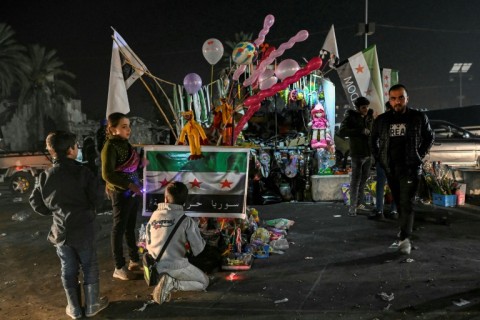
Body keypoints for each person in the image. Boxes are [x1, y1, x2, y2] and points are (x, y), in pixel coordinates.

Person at [29, 131, 108, 319]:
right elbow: (98, 199)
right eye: (76, 146)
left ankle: (73, 308)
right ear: (72, 149)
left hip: (60, 231)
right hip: (84, 228)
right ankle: (92, 305)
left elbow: (36, 202)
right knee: (89, 265)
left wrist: (54, 212)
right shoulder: (83, 172)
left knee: (68, 268)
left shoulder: (45, 176)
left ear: (51, 151)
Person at [371, 84, 434, 254]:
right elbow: (373, 140)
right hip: (391, 168)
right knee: (399, 202)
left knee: (407, 202)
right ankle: (403, 229)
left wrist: (419, 155)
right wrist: (380, 159)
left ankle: (404, 238)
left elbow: (429, 137)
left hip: (410, 168)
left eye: (400, 97)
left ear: (407, 98)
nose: (397, 101)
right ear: (389, 100)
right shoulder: (382, 120)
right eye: (393, 98)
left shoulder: (418, 117)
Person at [146, 181, 209, 305]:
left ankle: (164, 280)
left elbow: (147, 243)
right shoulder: (186, 221)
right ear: (185, 201)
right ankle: (173, 283)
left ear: (165, 198)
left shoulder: (154, 216)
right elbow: (199, 249)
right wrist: (200, 230)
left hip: (154, 266)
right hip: (175, 266)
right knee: (204, 282)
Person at [101, 112, 143, 280]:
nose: (128, 130)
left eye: (129, 126)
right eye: (124, 127)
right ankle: (119, 266)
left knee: (130, 226)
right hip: (120, 192)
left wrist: (142, 163)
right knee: (119, 228)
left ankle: (134, 260)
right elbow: (107, 174)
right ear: (112, 129)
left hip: (132, 192)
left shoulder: (125, 144)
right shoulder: (110, 147)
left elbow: (131, 165)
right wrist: (129, 185)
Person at [338, 96, 374, 216]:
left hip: (368, 153)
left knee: (363, 181)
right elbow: (342, 131)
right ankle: (352, 207)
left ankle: (360, 204)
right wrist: (359, 131)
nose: (366, 109)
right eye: (364, 107)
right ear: (358, 108)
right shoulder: (351, 117)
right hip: (357, 153)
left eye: (367, 107)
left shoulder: (369, 116)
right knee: (355, 181)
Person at [368, 102, 397, 220]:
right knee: (395, 185)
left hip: (383, 157)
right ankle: (394, 211)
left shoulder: (381, 119)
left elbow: (372, 139)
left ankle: (379, 210)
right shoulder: (402, 118)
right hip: (396, 159)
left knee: (381, 184)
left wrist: (377, 155)